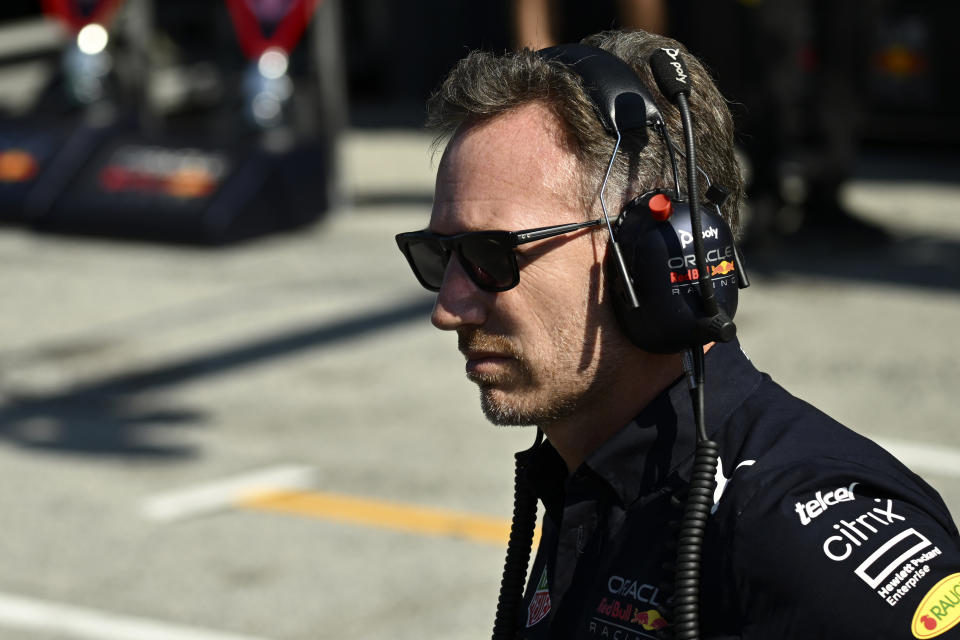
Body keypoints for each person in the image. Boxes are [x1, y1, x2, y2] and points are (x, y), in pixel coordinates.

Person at [394, 29, 960, 639]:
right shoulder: (588, 477)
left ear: (655, 257)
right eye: (439, 255)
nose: (449, 308)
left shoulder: (799, 539)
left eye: (490, 254)